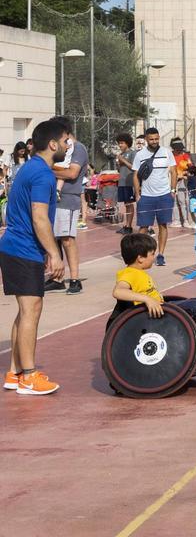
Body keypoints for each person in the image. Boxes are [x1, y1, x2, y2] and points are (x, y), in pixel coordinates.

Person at [1, 119, 68, 395]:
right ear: (53, 144)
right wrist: (54, 253)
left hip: (16, 248)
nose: (67, 146)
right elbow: (40, 218)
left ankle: (15, 373)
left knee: (25, 310)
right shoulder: (42, 174)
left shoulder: (32, 168)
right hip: (23, 249)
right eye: (65, 141)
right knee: (32, 310)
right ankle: (29, 375)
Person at [111, 232, 196, 367]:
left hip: (162, 309)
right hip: (151, 318)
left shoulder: (139, 273)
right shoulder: (129, 274)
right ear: (140, 258)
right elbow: (118, 291)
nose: (154, 257)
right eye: (152, 254)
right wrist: (147, 299)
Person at [44, 118, 88, 294]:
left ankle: (75, 280)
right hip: (51, 198)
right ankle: (57, 278)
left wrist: (46, 169)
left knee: (67, 239)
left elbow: (72, 172)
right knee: (52, 239)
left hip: (68, 198)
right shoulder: (57, 148)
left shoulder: (78, 148)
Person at [133, 128, 177, 265]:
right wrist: (137, 194)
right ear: (146, 139)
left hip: (164, 195)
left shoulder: (166, 152)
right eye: (151, 139)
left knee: (163, 225)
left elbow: (174, 172)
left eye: (156, 139)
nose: (154, 141)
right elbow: (135, 175)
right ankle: (140, 254)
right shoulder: (140, 155)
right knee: (143, 228)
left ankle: (161, 254)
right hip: (146, 196)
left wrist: (173, 190)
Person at [114, 133, 137, 234]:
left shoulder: (132, 153)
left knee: (129, 203)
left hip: (129, 182)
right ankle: (126, 225)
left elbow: (133, 167)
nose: (120, 145)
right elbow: (120, 170)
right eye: (119, 143)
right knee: (125, 204)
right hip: (122, 182)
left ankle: (129, 226)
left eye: (122, 143)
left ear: (127, 143)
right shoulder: (121, 155)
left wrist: (123, 160)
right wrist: (118, 163)